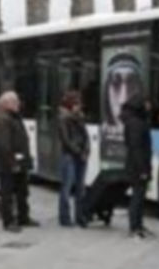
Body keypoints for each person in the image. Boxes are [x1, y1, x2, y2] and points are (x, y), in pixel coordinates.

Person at [0, 91, 38, 232]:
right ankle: (8, 221)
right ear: (7, 104)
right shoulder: (3, 120)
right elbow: (4, 145)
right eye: (15, 101)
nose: (18, 103)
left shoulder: (14, 117)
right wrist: (13, 163)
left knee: (22, 191)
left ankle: (23, 217)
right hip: (9, 164)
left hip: (19, 161)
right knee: (7, 193)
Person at [121, 93, 153, 238]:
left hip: (137, 165)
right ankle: (134, 227)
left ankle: (138, 225)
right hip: (137, 167)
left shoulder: (136, 120)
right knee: (137, 197)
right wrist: (143, 170)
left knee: (139, 196)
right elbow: (137, 148)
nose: (149, 106)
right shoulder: (136, 123)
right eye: (147, 103)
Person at [58, 90, 89, 227]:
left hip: (80, 155)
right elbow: (66, 140)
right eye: (76, 103)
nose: (79, 106)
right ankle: (65, 217)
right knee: (67, 187)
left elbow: (86, 136)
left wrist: (86, 150)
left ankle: (80, 215)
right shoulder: (63, 118)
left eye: (79, 103)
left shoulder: (80, 118)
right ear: (70, 104)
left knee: (80, 188)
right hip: (69, 156)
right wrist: (79, 152)